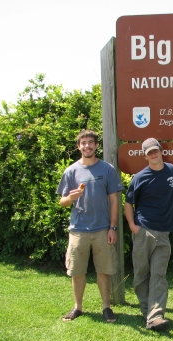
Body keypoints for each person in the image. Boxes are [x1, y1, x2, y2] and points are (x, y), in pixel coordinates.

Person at [125, 138, 173, 331]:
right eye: (149, 152)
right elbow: (128, 203)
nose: (153, 154)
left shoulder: (172, 170)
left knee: (159, 274)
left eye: (155, 150)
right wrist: (132, 226)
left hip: (164, 233)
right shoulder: (139, 177)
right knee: (141, 274)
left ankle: (155, 316)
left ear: (161, 150)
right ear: (145, 155)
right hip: (143, 231)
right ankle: (147, 311)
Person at [57, 129, 124, 323]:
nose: (87, 146)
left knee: (104, 269)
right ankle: (77, 307)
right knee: (77, 271)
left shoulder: (107, 169)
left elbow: (114, 200)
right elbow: (62, 202)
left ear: (96, 146)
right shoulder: (71, 171)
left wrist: (113, 227)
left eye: (90, 142)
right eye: (83, 143)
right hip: (78, 229)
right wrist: (70, 197)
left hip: (103, 229)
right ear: (78, 146)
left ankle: (106, 308)